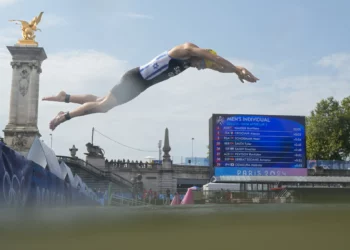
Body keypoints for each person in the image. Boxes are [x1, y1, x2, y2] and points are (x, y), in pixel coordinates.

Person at [43, 42, 259, 130]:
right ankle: (64, 116)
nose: (201, 68)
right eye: (202, 65)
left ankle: (66, 96)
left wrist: (237, 69)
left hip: (139, 85)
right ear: (200, 56)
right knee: (103, 106)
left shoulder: (193, 63)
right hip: (135, 79)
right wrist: (232, 66)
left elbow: (220, 67)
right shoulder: (184, 50)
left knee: (101, 101)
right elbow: (217, 60)